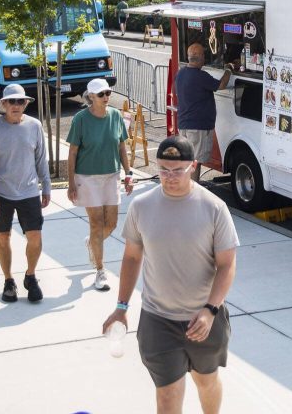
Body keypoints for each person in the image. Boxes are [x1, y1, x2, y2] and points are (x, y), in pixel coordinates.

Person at [102, 136, 239, 414]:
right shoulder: (142, 206)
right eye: (163, 169)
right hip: (158, 320)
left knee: (206, 381)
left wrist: (210, 310)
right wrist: (121, 306)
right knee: (167, 395)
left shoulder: (213, 208)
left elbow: (227, 264)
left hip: (203, 318)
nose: (169, 177)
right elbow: (131, 257)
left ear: (193, 166)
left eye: (177, 170)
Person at [0, 84, 50, 303]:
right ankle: (9, 280)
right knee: (3, 236)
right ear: (3, 104)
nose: (16, 105)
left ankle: (30, 276)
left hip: (28, 191)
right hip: (1, 193)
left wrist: (46, 185)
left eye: (21, 101)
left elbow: (41, 158)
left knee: (35, 237)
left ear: (26, 104)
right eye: (12, 101)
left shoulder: (34, 126)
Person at [67, 78, 132, 291]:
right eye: (101, 94)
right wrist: (71, 183)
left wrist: (128, 173)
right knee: (96, 223)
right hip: (87, 178)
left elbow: (122, 146)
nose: (106, 97)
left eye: (108, 93)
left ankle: (93, 242)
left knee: (111, 223)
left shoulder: (115, 116)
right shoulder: (80, 119)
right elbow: (73, 152)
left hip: (111, 175)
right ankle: (100, 270)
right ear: (91, 97)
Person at [174, 42, 233, 182]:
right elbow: (221, 85)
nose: (205, 58)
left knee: (188, 160)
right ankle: (192, 191)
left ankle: (186, 188)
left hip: (183, 124)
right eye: (204, 55)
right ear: (200, 57)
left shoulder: (180, 73)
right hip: (198, 127)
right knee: (195, 161)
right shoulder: (200, 76)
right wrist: (228, 69)